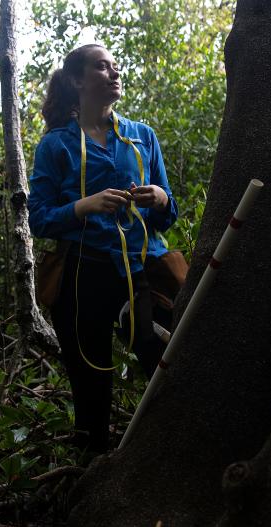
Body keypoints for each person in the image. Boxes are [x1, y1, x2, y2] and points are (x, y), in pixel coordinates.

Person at [27, 44, 178, 453]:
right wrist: (84, 205)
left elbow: (169, 213)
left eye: (115, 66)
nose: (114, 72)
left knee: (165, 365)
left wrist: (162, 199)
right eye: (102, 66)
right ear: (77, 80)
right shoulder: (56, 146)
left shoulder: (142, 137)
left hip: (139, 271)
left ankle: (165, 459)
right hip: (81, 275)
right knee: (91, 385)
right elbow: (38, 218)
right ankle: (92, 475)